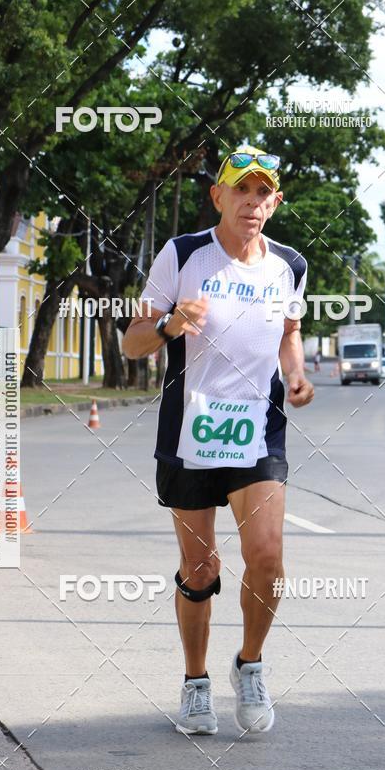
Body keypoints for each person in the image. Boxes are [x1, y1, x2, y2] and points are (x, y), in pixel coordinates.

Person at [122, 145, 315, 735]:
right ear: (219, 196)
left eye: (263, 194)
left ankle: (250, 664)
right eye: (242, 191)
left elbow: (289, 331)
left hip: (259, 431)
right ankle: (196, 682)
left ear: (275, 202)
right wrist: (167, 325)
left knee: (267, 557)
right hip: (191, 431)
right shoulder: (182, 255)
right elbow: (132, 342)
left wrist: (297, 371)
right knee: (200, 566)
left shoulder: (290, 265)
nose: (252, 203)